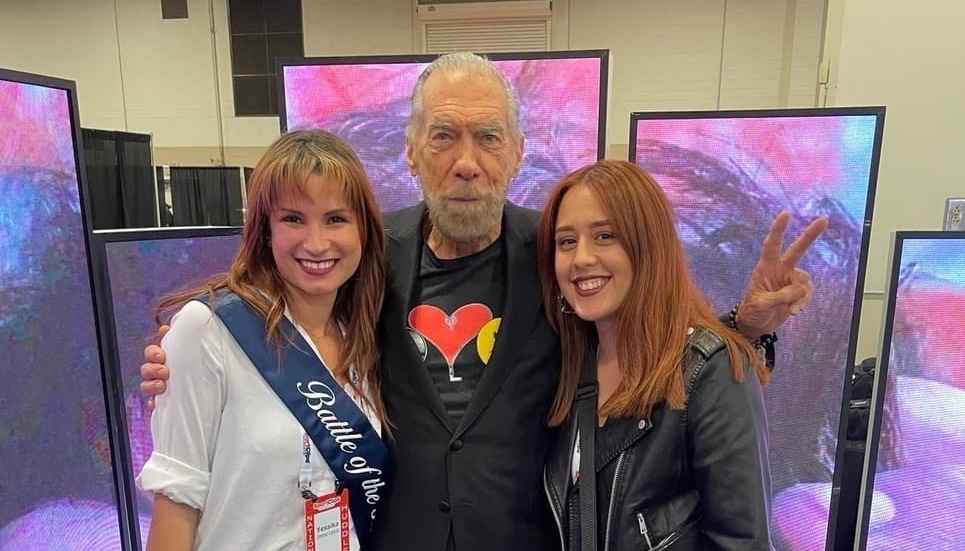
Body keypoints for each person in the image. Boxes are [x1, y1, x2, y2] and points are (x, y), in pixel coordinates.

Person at [141, 52, 827, 551]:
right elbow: (286, 294)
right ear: (411, 154)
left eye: (487, 137)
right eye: (442, 136)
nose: (465, 160)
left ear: (518, 151)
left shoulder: (558, 256)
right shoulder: (366, 255)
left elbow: (646, 344)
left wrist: (745, 325)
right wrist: (192, 342)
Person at [136, 129, 390, 551]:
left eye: (336, 218)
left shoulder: (362, 340)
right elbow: (175, 508)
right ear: (265, 229)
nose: (317, 243)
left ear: (363, 229)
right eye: (293, 218)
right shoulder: (209, 330)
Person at [538, 160, 772, 550]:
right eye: (566, 241)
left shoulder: (711, 372)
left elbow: (742, 542)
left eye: (604, 236)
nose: (580, 259)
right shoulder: (570, 368)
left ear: (649, 246)